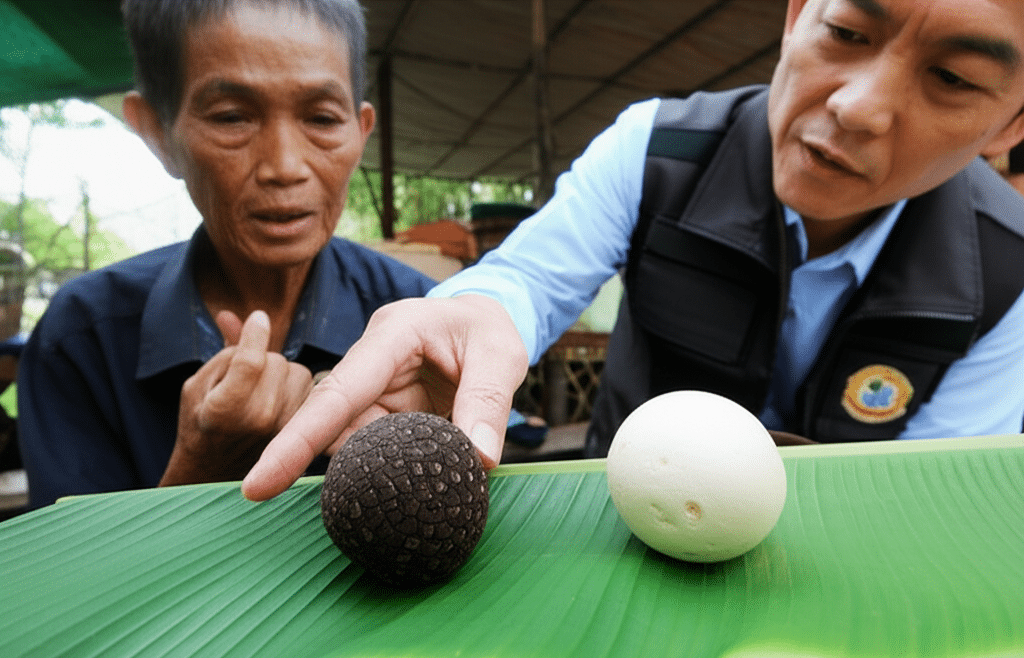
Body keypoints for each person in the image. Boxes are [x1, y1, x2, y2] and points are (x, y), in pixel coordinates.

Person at [240, 0, 1024, 502]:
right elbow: (526, 279)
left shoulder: (1011, 269)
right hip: (622, 522)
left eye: (953, 77)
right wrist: (468, 315)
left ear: (1012, 126)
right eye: (847, 33)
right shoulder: (656, 147)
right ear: (794, 18)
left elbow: (929, 493)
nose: (858, 107)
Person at [17, 0, 438, 509]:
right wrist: (202, 474)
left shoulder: (420, 318)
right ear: (157, 133)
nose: (285, 166)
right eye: (232, 117)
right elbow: (70, 582)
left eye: (322, 118)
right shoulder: (82, 339)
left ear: (360, 129)